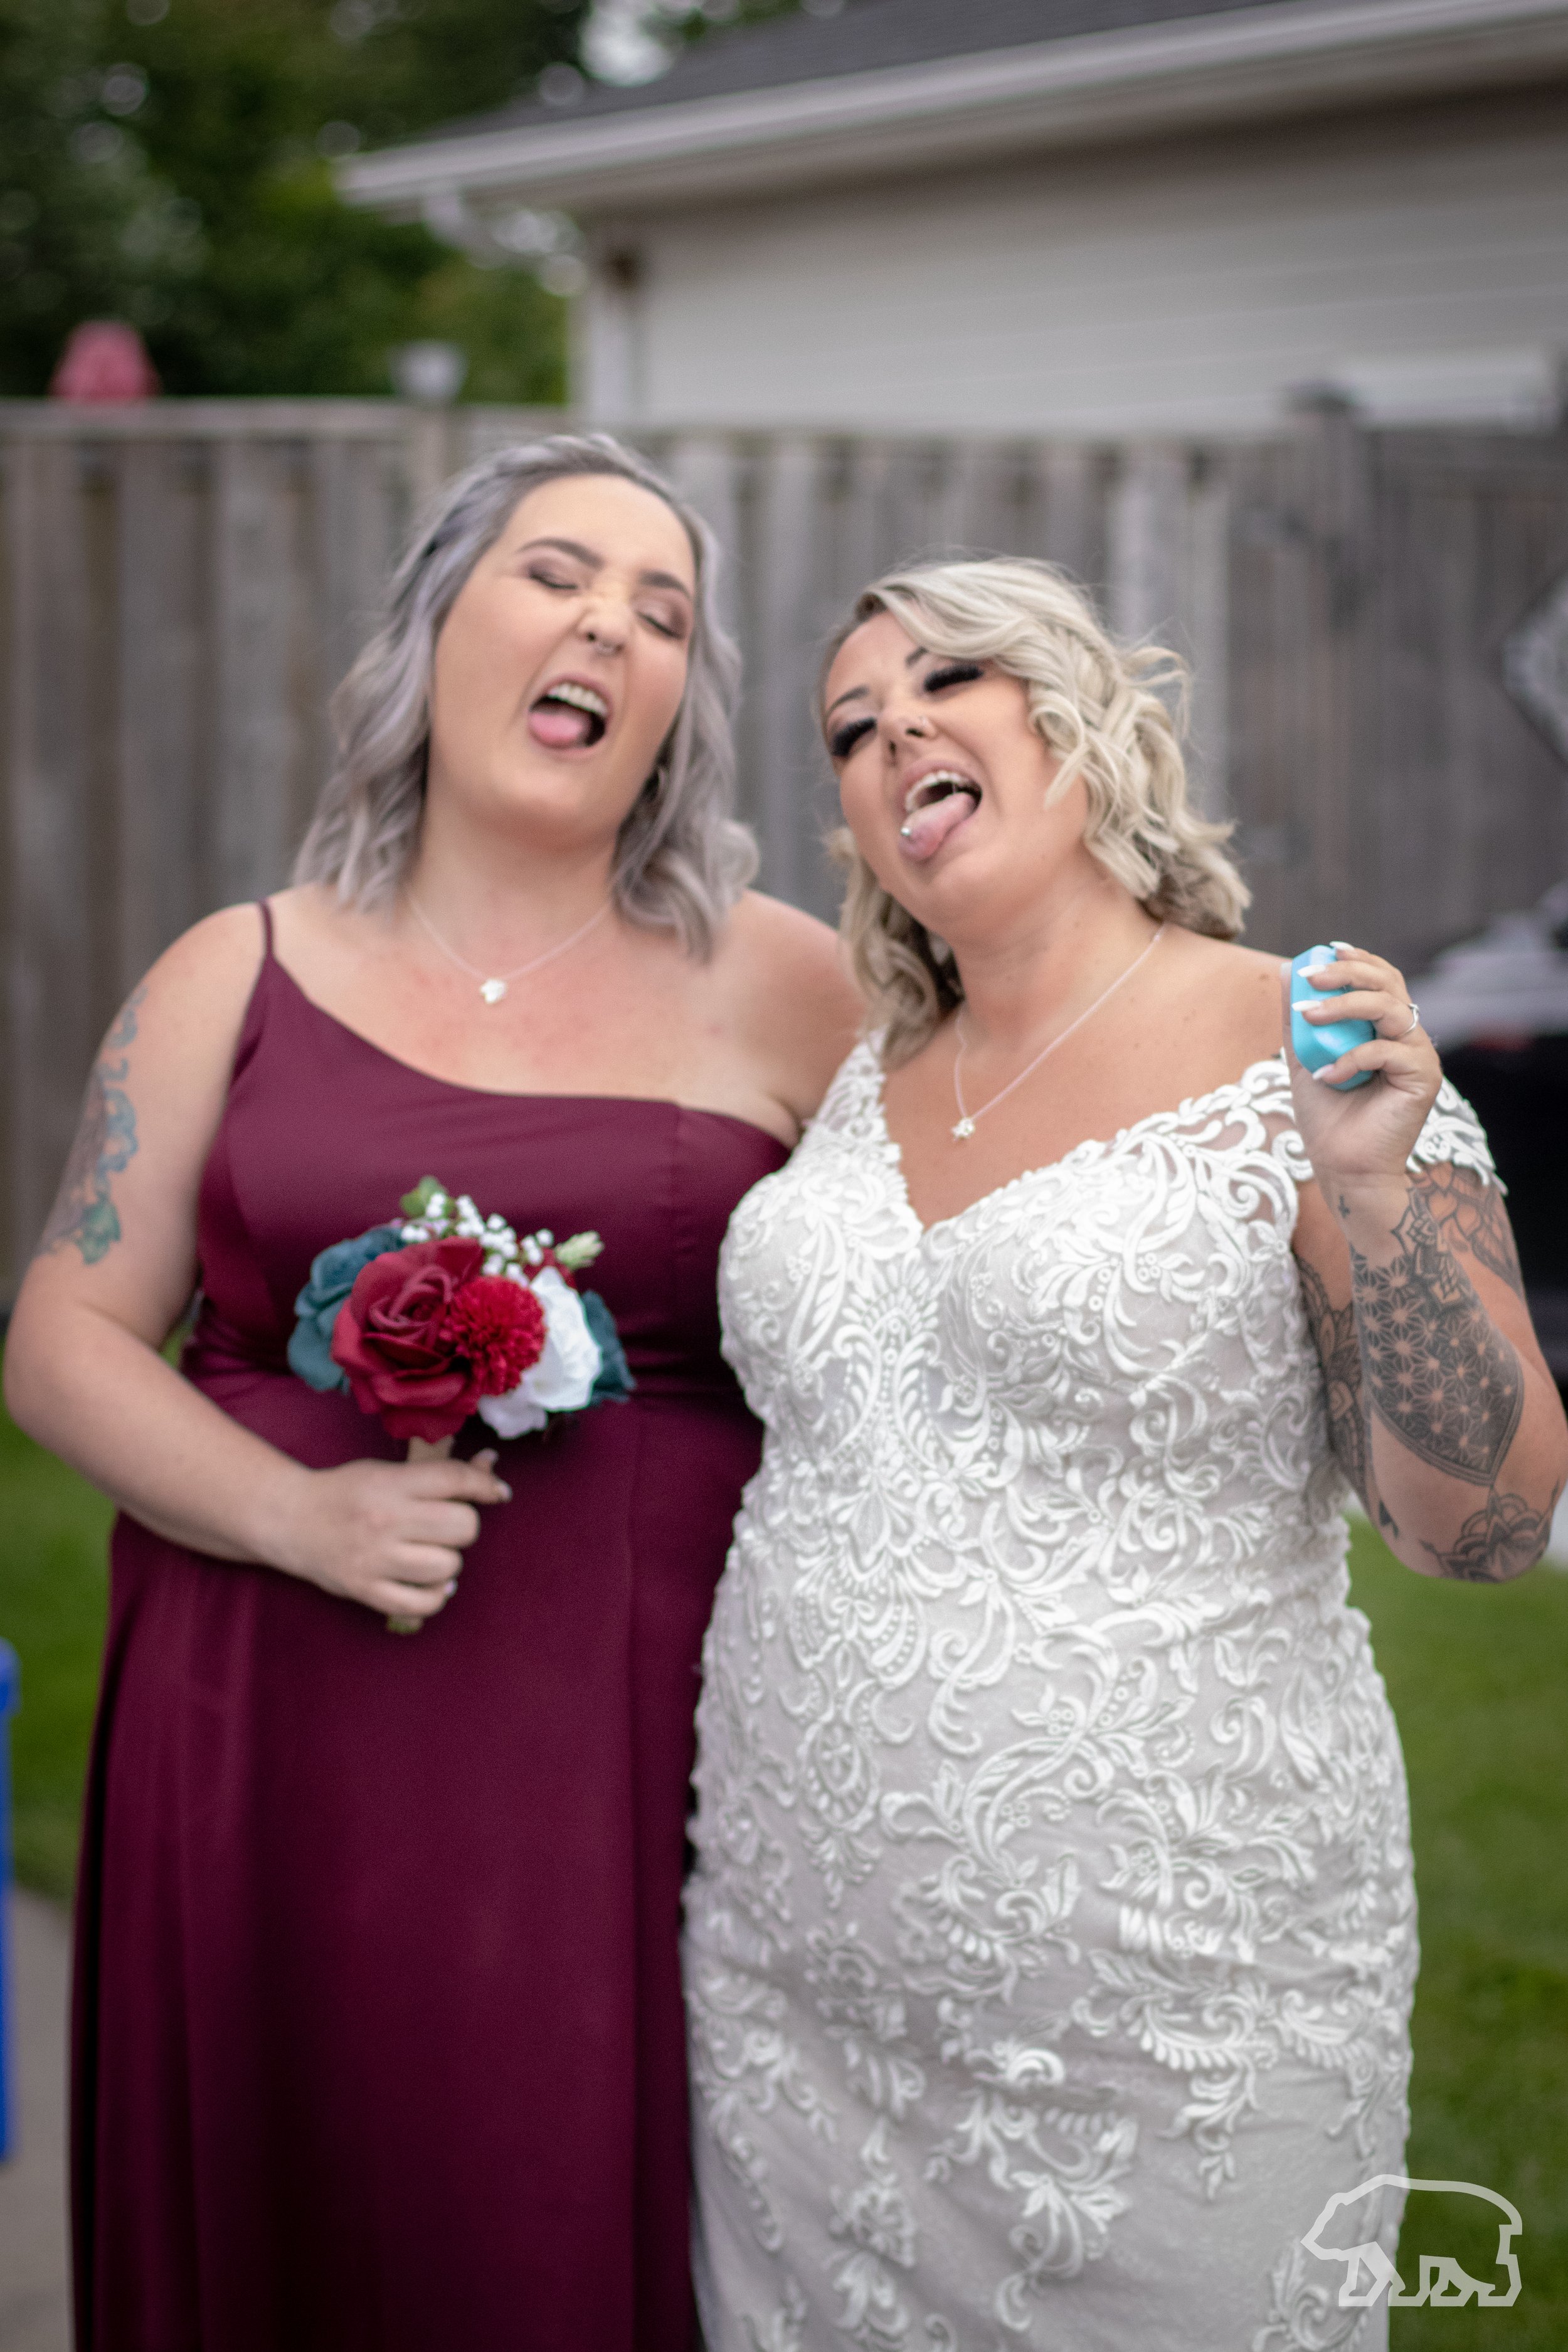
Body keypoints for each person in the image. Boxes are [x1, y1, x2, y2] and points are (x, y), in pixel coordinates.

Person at [4, 432, 858, 2352]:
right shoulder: (235, 970)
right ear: (435, 625)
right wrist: (295, 1514)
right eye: (557, 574)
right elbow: (61, 1337)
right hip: (261, 1721)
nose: (608, 628)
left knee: (539, 2215)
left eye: (662, 614)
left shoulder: (783, 982)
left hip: (621, 1742)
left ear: (678, 708)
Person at [682, 556, 1567, 2351]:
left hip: (1178, 2019)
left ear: (1082, 721)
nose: (891, 730)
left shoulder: (1305, 1035)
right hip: (789, 1991)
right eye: (849, 727)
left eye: (945, 680)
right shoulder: (862, 1074)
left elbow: (1482, 1526)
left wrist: (1375, 1194)